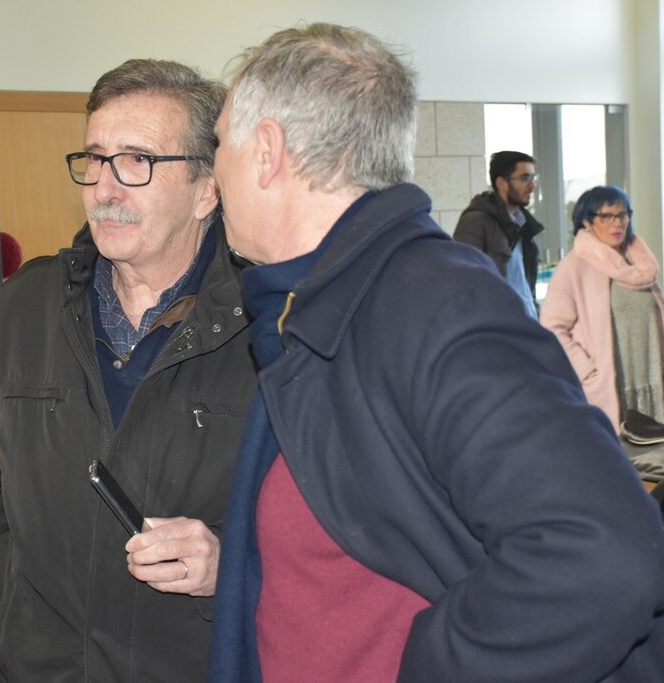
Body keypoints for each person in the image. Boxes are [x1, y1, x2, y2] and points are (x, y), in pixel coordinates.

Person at [208, 23, 664, 682]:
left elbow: (601, 553)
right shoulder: (316, 304)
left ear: (266, 153)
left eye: (220, 142)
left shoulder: (433, 303)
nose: (214, 170)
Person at [0, 59, 257, 682]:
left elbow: (330, 536)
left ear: (207, 189)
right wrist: (12, 618)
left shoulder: (271, 328)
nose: (105, 189)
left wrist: (233, 564)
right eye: (95, 159)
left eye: (137, 161)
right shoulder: (22, 306)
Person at [540, 185, 664, 438]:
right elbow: (551, 327)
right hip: (610, 387)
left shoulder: (640, 264)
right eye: (606, 216)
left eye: (622, 214)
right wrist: (586, 369)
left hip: (652, 380)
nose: (617, 223)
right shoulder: (573, 267)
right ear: (587, 221)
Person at [453, 150, 544, 318]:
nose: (532, 185)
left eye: (533, 178)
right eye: (525, 178)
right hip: (499, 326)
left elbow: (524, 287)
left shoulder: (523, 225)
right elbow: (465, 284)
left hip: (526, 325)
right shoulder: (476, 222)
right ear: (502, 183)